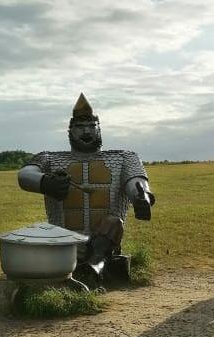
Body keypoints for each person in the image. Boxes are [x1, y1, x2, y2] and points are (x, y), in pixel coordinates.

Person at [17, 93, 155, 286]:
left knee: (113, 222)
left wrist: (141, 197)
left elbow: (136, 181)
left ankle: (95, 263)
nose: (86, 132)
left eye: (91, 126)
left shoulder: (125, 158)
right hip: (64, 241)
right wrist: (46, 182)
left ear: (99, 129)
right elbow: (25, 175)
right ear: (70, 131)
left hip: (104, 239)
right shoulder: (49, 159)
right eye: (80, 127)